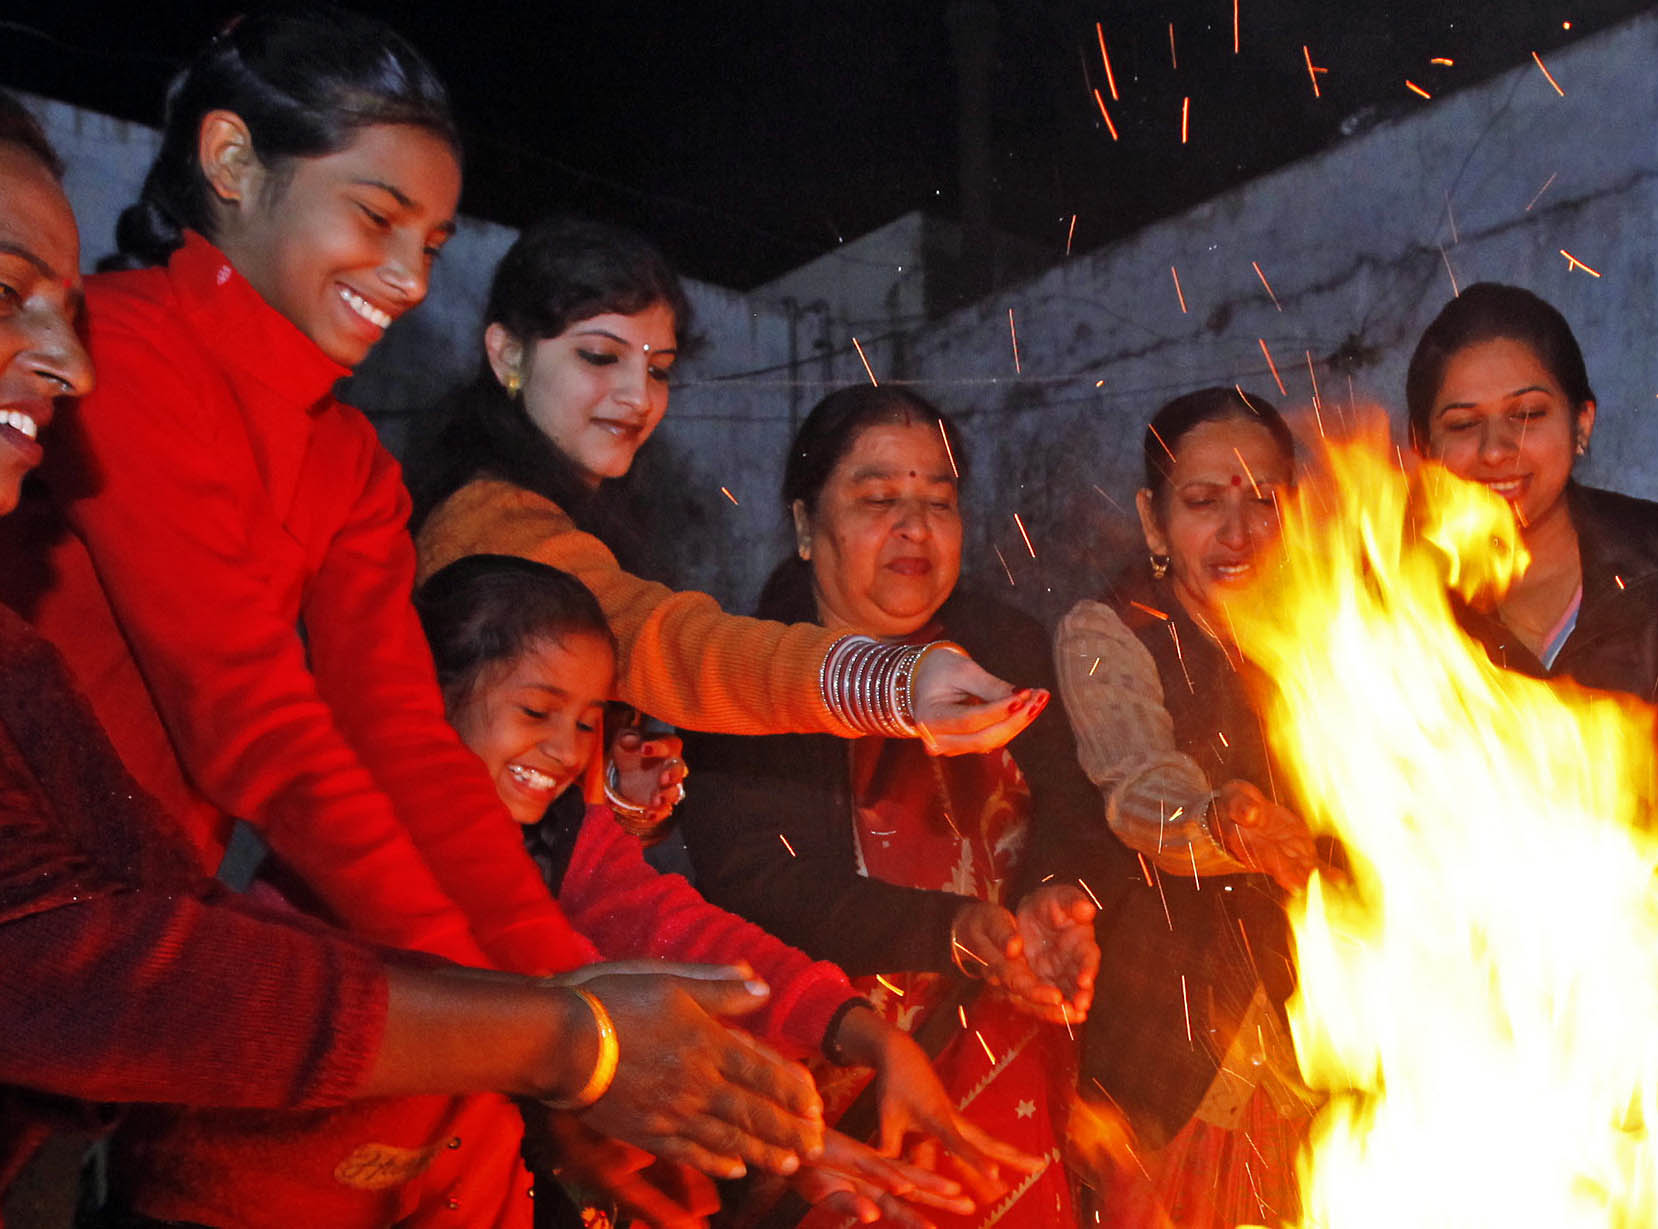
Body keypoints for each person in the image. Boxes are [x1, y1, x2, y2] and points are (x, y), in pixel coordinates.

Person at [0, 87, 832, 1219]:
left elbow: (406, 753)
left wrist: (545, 1008)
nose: (409, 274)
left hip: (134, 975)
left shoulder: (350, 465)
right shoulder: (139, 344)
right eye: (378, 217)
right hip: (118, 973)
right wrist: (549, 1034)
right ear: (234, 160)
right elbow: (261, 731)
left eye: (433, 241)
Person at [417, 552, 1040, 1226]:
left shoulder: (565, 836)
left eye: (587, 722)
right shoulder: (363, 857)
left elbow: (681, 934)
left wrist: (860, 1032)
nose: (565, 750)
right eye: (536, 710)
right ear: (426, 693)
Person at [677, 385, 1119, 1227]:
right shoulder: (746, 675)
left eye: (939, 503)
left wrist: (1057, 894)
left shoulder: (1004, 649)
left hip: (1006, 1054)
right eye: (879, 500)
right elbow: (762, 885)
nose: (914, 528)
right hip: (829, 1093)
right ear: (806, 526)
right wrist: (953, 930)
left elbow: (1077, 803)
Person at [408, 216, 1042, 751]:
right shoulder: (489, 521)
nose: (637, 398)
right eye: (600, 356)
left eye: (658, 369)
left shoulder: (1013, 643)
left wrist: (621, 795)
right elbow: (661, 641)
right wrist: (889, 685)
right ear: (508, 355)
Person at [1404, 283, 1658, 991]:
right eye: (1461, 424)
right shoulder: (1382, 611)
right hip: (1463, 1000)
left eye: (1527, 414)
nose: (1494, 449)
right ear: (1422, 447)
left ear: (1581, 423)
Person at [1051, 388, 1320, 1227]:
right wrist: (1221, 821)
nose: (1236, 534)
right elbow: (1137, 787)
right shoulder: (1108, 631)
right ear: (1155, 519)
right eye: (1204, 503)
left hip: (1325, 1051)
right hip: (1169, 1074)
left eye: (1262, 502)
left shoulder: (1343, 638)